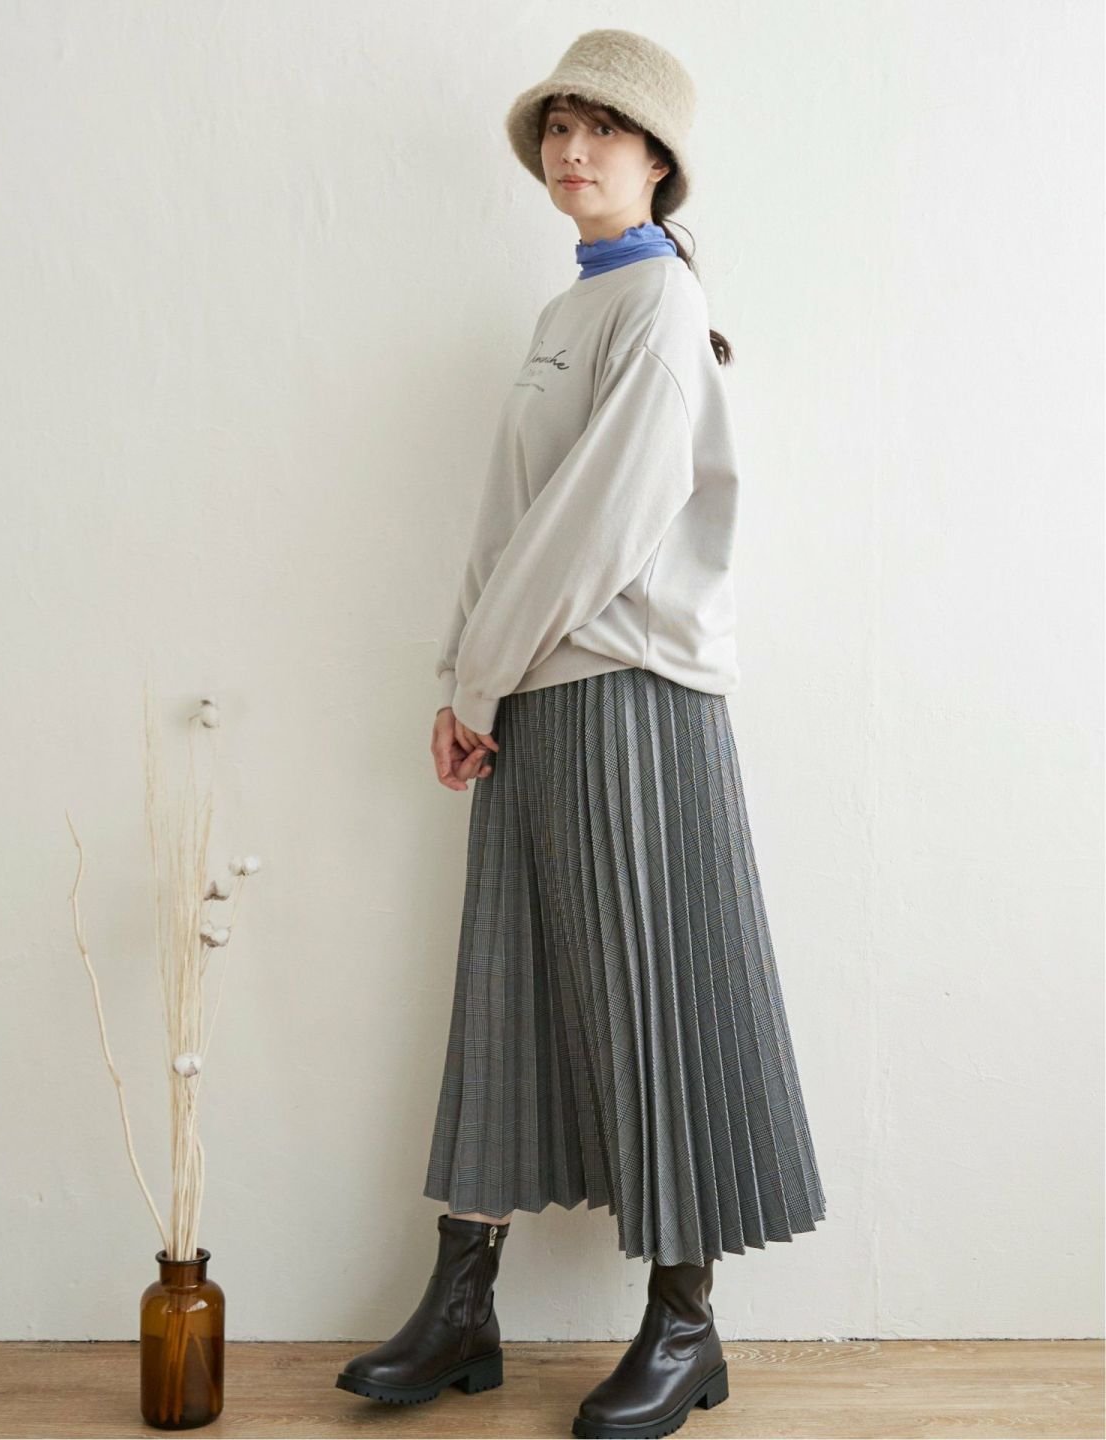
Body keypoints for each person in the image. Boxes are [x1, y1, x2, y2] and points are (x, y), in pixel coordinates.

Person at [336, 27, 827, 1439]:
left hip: (630, 696)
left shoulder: (660, 303)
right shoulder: (572, 308)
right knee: (505, 987)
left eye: (603, 128)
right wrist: (463, 678)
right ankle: (465, 1303)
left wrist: (482, 676)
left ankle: (686, 1324)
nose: (572, 148)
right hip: (536, 693)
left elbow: (596, 531)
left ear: (660, 159)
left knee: (655, 1000)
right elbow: (509, 525)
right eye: (558, 126)